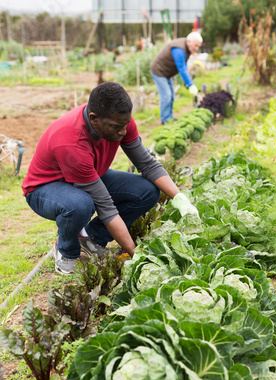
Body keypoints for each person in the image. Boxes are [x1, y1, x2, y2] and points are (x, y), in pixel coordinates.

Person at [22, 81, 199, 275]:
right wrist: (137, 255)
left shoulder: (120, 121)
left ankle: (91, 238)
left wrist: (180, 199)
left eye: (125, 125)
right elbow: (106, 208)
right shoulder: (72, 142)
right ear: (94, 118)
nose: (123, 132)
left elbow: (147, 164)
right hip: (46, 188)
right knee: (80, 205)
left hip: (90, 174)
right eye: (116, 127)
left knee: (147, 191)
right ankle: (66, 251)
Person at [150, 32, 203, 124]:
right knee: (166, 95)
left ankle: (169, 117)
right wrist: (190, 85)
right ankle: (165, 120)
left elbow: (184, 67)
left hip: (167, 73)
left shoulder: (186, 46)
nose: (196, 48)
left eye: (198, 46)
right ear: (189, 41)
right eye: (196, 45)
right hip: (159, 71)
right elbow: (182, 69)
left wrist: (187, 82)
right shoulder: (179, 49)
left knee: (171, 95)